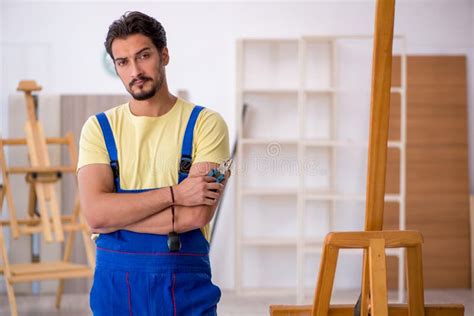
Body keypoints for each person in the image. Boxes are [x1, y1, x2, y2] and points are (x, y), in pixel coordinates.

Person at [77, 11, 230, 316]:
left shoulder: (206, 124)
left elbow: (197, 214)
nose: (135, 70)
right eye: (123, 62)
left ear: (164, 55)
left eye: (143, 56)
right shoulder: (98, 129)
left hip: (185, 288)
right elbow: (95, 215)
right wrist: (175, 195)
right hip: (114, 292)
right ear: (116, 68)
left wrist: (115, 217)